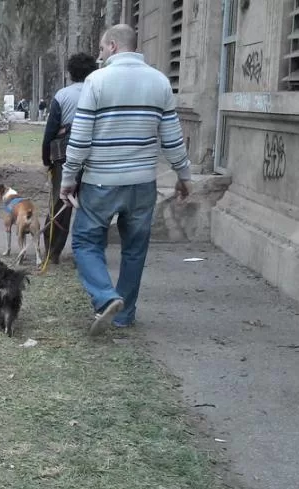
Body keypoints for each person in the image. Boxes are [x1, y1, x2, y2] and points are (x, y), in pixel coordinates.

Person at [60, 24, 191, 335]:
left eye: (103, 49)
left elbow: (79, 139)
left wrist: (68, 179)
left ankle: (105, 298)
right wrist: (183, 175)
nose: (100, 55)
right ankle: (124, 314)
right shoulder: (160, 82)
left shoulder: (96, 81)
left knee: (85, 241)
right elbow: (172, 138)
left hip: (101, 181)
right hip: (143, 183)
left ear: (114, 46)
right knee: (135, 248)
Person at [41, 52, 98, 265]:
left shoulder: (62, 95)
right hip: (94, 155)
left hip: (63, 155)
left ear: (70, 73)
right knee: (90, 205)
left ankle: (52, 252)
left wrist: (47, 159)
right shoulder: (100, 92)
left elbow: (50, 131)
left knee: (60, 204)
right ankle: (87, 253)